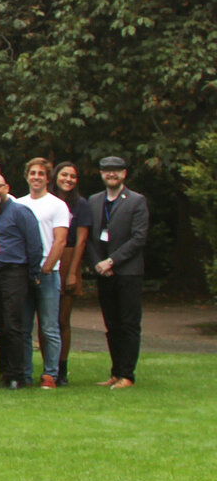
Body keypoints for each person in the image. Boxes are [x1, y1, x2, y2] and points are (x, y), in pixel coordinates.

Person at [84, 156, 149, 388]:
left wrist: (112, 261)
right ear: (101, 174)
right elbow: (89, 238)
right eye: (107, 170)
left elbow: (139, 238)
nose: (112, 174)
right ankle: (116, 371)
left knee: (128, 324)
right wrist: (98, 264)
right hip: (103, 272)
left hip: (128, 271)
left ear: (124, 174)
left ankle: (127, 375)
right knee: (112, 325)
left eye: (116, 170)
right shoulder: (94, 200)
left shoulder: (136, 200)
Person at [0, 173, 45, 388]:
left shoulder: (20, 212)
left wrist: (32, 273)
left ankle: (18, 375)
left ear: (6, 187)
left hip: (15, 272)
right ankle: (6, 371)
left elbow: (34, 245)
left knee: (13, 325)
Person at [16, 158, 72, 389]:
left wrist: (46, 267)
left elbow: (60, 241)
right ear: (27, 176)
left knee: (49, 327)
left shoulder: (57, 205)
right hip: (24, 273)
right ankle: (25, 374)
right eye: (33, 173)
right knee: (23, 327)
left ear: (48, 178)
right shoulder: (18, 204)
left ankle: (50, 374)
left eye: (41, 173)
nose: (36, 177)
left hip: (48, 274)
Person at [53, 161, 89, 385]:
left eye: (73, 176)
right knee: (47, 321)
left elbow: (82, 240)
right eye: (64, 175)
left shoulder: (80, 205)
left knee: (62, 320)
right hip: (48, 256)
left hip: (68, 258)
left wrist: (72, 272)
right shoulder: (47, 200)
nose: (68, 179)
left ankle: (62, 368)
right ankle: (49, 368)